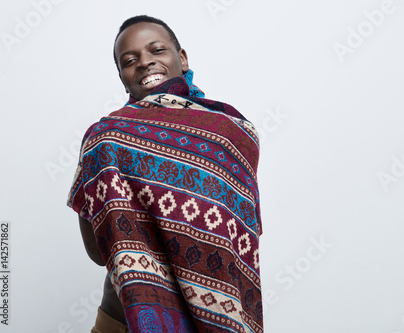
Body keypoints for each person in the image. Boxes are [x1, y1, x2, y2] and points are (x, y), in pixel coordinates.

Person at [67, 15, 263, 333]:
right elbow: (98, 252)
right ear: (122, 75)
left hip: (215, 318)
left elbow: (238, 242)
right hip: (123, 320)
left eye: (156, 50)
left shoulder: (228, 134)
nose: (145, 62)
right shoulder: (107, 136)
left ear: (181, 57)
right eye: (130, 60)